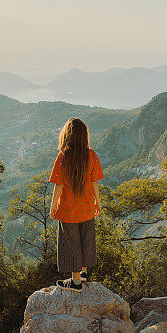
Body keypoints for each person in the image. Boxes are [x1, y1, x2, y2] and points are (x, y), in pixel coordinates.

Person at [48, 117, 103, 292]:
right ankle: (84, 274)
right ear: (84, 135)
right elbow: (95, 182)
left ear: (67, 135)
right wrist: (98, 203)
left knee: (71, 242)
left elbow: (59, 184)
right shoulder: (91, 154)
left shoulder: (63, 156)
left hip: (68, 208)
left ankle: (76, 282)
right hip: (87, 206)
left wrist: (53, 205)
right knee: (86, 238)